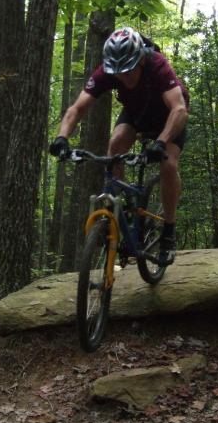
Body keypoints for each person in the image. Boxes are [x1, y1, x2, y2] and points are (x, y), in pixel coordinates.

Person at [49, 26, 189, 265]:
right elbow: (77, 108)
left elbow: (178, 109)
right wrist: (61, 138)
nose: (124, 77)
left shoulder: (156, 64)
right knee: (114, 147)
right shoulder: (107, 71)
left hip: (170, 117)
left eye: (128, 71)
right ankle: (123, 209)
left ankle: (168, 230)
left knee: (168, 164)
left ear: (140, 60)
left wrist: (161, 142)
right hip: (137, 113)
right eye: (119, 73)